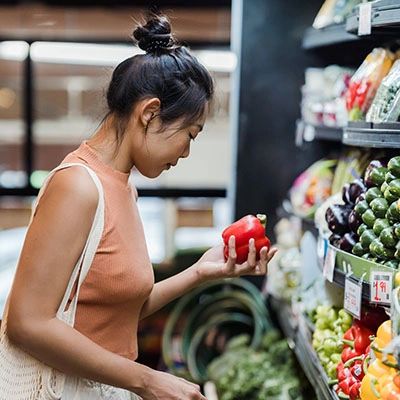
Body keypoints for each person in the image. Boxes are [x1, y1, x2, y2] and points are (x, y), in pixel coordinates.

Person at [4, 10, 277, 400]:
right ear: (149, 113)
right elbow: (26, 323)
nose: (185, 152)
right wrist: (146, 379)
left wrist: (201, 273)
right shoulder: (78, 185)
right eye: (189, 134)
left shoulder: (124, 188)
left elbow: (116, 311)